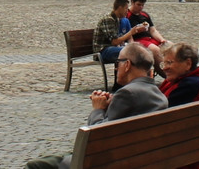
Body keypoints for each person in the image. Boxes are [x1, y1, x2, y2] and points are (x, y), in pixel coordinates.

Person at [25, 43, 166, 169]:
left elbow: (97, 136)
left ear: (127, 65)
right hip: (140, 158)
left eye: (118, 62)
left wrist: (98, 108)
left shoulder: (127, 93)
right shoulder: (159, 95)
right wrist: (110, 106)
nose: (116, 67)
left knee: (35, 166)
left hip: (108, 161)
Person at [159, 42, 199, 107]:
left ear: (188, 64)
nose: (164, 68)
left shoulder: (190, 85)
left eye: (169, 63)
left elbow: (159, 109)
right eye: (164, 63)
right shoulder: (179, 81)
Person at [93, 0, 146, 64]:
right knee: (131, 52)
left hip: (111, 48)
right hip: (103, 51)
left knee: (138, 50)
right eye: (126, 9)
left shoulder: (116, 19)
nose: (127, 11)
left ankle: (136, 73)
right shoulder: (108, 19)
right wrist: (130, 32)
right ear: (120, 8)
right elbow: (114, 42)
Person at [126, 0, 169, 69]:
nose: (141, 7)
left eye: (142, 5)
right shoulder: (127, 15)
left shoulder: (144, 15)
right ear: (132, 2)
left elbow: (153, 30)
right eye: (138, 5)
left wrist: (161, 39)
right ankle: (165, 71)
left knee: (170, 46)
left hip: (149, 39)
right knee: (155, 50)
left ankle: (176, 70)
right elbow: (126, 33)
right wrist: (136, 30)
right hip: (138, 40)